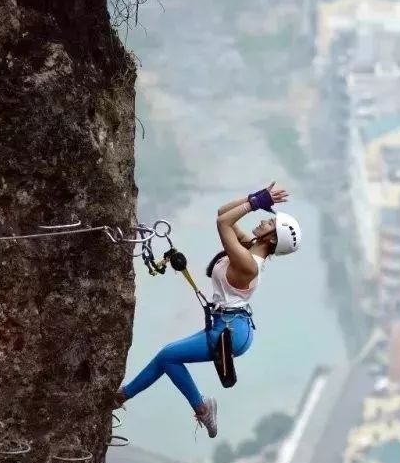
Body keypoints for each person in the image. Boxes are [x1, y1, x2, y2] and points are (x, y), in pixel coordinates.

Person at [113, 182, 301, 438]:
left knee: (168, 356)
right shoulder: (248, 246)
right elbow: (222, 212)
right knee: (166, 357)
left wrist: (257, 203)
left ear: (273, 238)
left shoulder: (248, 263)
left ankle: (201, 408)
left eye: (270, 223)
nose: (263, 220)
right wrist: (255, 197)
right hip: (227, 324)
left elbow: (223, 223)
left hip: (230, 331)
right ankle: (121, 397)